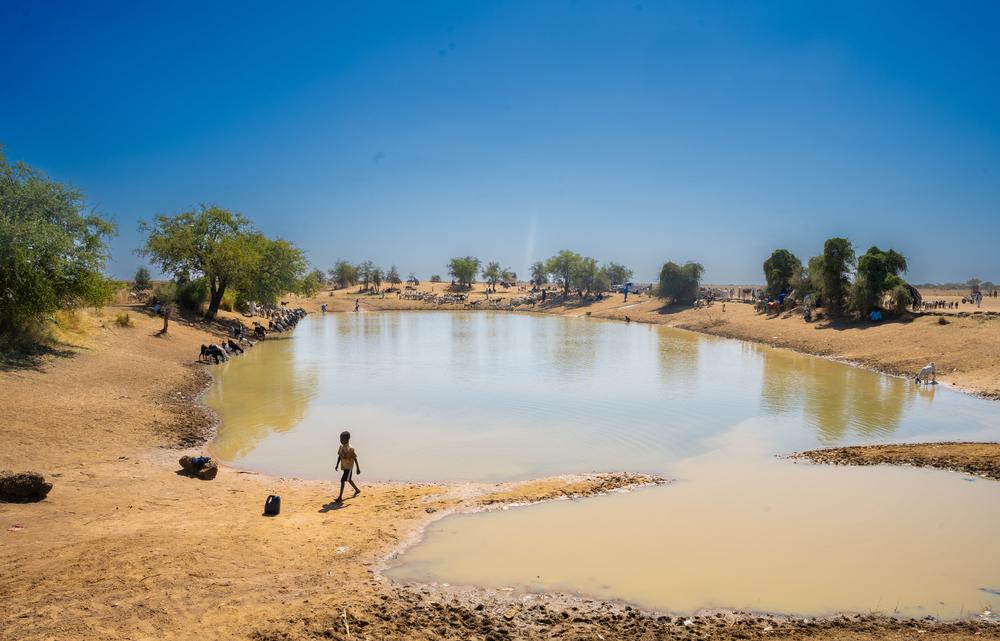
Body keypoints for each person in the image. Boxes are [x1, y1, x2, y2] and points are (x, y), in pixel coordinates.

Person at [334, 430, 361, 503]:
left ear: (347, 439)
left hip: (349, 467)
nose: (341, 440)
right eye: (340, 439)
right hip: (344, 466)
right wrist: (337, 465)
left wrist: (358, 468)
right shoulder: (341, 447)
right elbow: (339, 456)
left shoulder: (351, 449)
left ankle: (340, 497)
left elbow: (355, 458)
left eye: (342, 439)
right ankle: (357, 490)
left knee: (343, 480)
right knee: (349, 480)